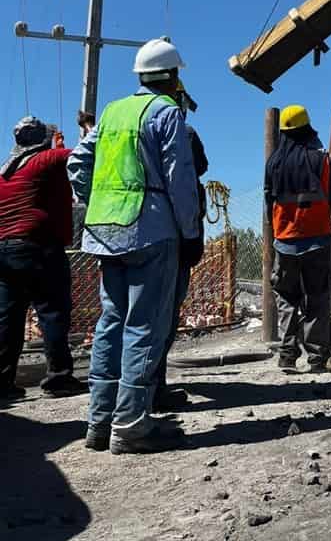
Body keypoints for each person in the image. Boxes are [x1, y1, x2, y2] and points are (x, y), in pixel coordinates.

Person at [68, 38, 201, 455]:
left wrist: (99, 201)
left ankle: (99, 422)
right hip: (151, 231)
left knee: (111, 322)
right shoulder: (166, 113)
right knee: (144, 325)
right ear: (173, 76)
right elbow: (181, 179)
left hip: (107, 232)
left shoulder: (110, 112)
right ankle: (130, 426)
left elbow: (77, 163)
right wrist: (191, 232)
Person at [0, 117, 84, 400]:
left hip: (5, 250)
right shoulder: (49, 158)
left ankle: (3, 384)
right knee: (52, 312)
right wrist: (84, 131)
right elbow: (84, 154)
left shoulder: (5, 172)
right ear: (42, 139)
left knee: (9, 317)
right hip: (39, 246)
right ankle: (58, 379)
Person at [264, 104, 331, 373]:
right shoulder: (322, 159)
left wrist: (276, 230)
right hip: (318, 241)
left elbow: (268, 203)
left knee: (287, 298)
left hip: (285, 242)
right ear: (307, 128)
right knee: (317, 298)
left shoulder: (274, 163)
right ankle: (316, 358)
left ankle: (287, 355)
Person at [153, 81, 208, 410]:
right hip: (171, 236)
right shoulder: (184, 134)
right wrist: (190, 236)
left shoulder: (124, 123)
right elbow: (193, 174)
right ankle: (152, 389)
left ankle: (118, 400)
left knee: (127, 320)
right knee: (162, 316)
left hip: (123, 234)